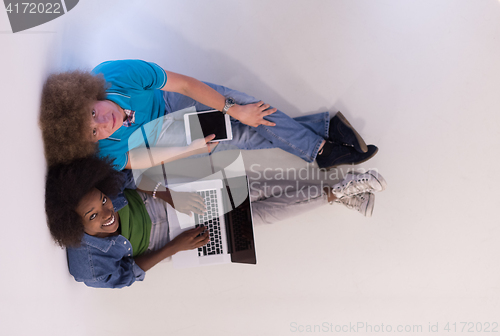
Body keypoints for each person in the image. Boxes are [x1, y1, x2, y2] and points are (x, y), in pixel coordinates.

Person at [44, 156, 387, 289]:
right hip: (174, 241)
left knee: (253, 190)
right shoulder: (87, 267)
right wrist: (176, 246)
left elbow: (133, 179)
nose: (107, 213)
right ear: (74, 228)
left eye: (103, 202)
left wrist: (171, 196)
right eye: (94, 216)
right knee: (257, 218)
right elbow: (128, 273)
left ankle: (342, 190)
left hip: (168, 198)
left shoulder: (100, 190)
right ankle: (339, 193)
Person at [39, 59, 378, 170]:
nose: (102, 124)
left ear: (88, 95)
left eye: (93, 113)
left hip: (172, 101)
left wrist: (234, 108)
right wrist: (188, 150)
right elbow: (137, 160)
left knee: (251, 110)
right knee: (244, 133)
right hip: (165, 135)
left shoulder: (115, 75)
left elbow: (184, 85)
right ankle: (323, 132)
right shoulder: (104, 151)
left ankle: (321, 150)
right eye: (93, 132)